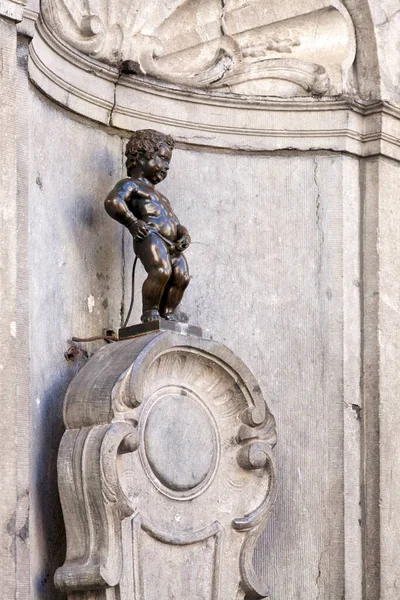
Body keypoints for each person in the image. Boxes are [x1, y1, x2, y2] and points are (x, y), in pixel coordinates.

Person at [104, 129, 191, 323]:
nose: (166, 167)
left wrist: (184, 235)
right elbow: (113, 202)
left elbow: (175, 222)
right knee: (161, 271)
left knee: (181, 276)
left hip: (172, 242)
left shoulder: (162, 197)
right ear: (142, 157)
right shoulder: (131, 185)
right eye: (162, 159)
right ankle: (150, 312)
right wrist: (132, 223)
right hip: (150, 235)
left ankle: (167, 313)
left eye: (168, 162)